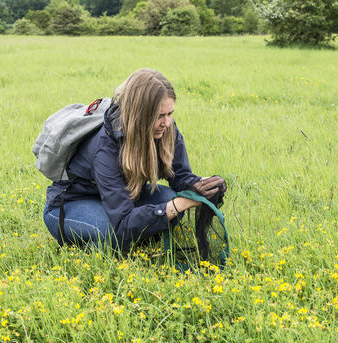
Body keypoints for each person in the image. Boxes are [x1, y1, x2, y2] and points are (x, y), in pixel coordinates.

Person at [43, 68, 226, 252]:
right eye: (160, 116)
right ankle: (100, 247)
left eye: (170, 113)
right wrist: (179, 205)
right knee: (116, 233)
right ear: (139, 115)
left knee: (170, 199)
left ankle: (132, 240)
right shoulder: (106, 147)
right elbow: (122, 222)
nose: (167, 122)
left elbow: (181, 177)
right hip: (73, 203)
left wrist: (203, 185)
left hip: (122, 196)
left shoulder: (164, 129)